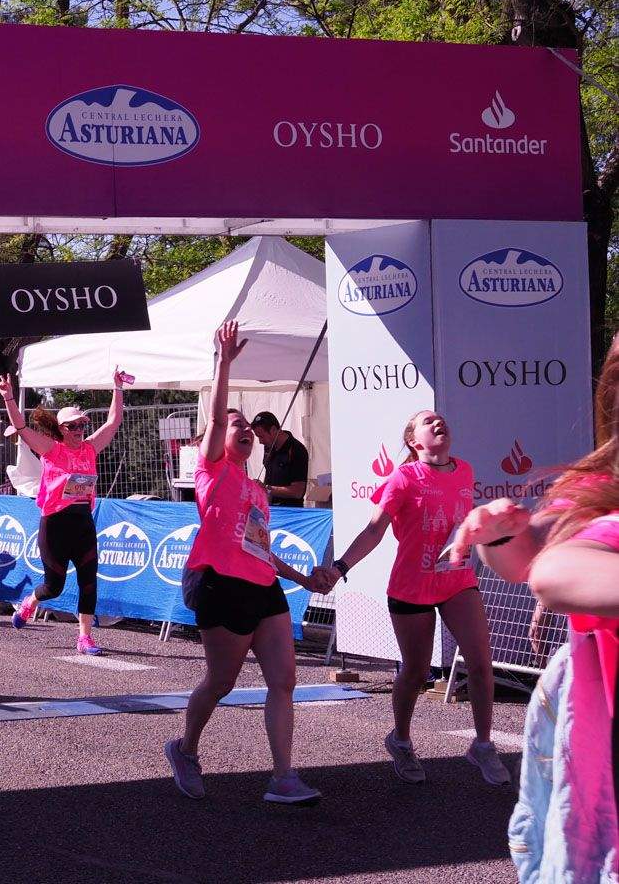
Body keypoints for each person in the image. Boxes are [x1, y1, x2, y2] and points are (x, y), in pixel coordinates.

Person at [448, 331, 619, 880]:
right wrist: (494, 535)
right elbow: (541, 560)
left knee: (477, 667)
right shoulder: (599, 489)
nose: (440, 431)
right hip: (423, 591)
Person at [164, 321, 324, 806]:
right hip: (219, 586)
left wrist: (302, 577)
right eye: (238, 424)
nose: (246, 430)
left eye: (249, 427)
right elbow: (214, 421)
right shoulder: (210, 468)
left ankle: (282, 777)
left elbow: (259, 547)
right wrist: (224, 364)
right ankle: (186, 748)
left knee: (284, 681)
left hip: (262, 588)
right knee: (222, 681)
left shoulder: (256, 489)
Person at [312, 410, 507, 785]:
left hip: (457, 581)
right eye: (428, 422)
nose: (439, 423)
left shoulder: (465, 471)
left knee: (482, 662)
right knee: (415, 671)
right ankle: (400, 739)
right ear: (415, 441)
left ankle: (482, 744)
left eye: (441, 420)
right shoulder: (404, 477)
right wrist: (339, 568)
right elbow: (373, 531)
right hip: (411, 585)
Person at [0, 367, 131, 655]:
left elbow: (112, 422)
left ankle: (84, 638)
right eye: (72, 427)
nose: (78, 431)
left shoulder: (89, 449)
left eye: (81, 425)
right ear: (61, 429)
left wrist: (117, 388)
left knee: (88, 582)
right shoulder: (52, 450)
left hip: (83, 522)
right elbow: (22, 428)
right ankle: (29, 603)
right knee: (54, 586)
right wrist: (9, 398)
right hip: (55, 525)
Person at [250, 412, 309, 507]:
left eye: (261, 436)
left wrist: (267, 489)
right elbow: (269, 475)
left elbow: (298, 491)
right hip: (271, 509)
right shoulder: (268, 447)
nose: (260, 441)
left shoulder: (297, 450)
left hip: (289, 513)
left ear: (273, 430)